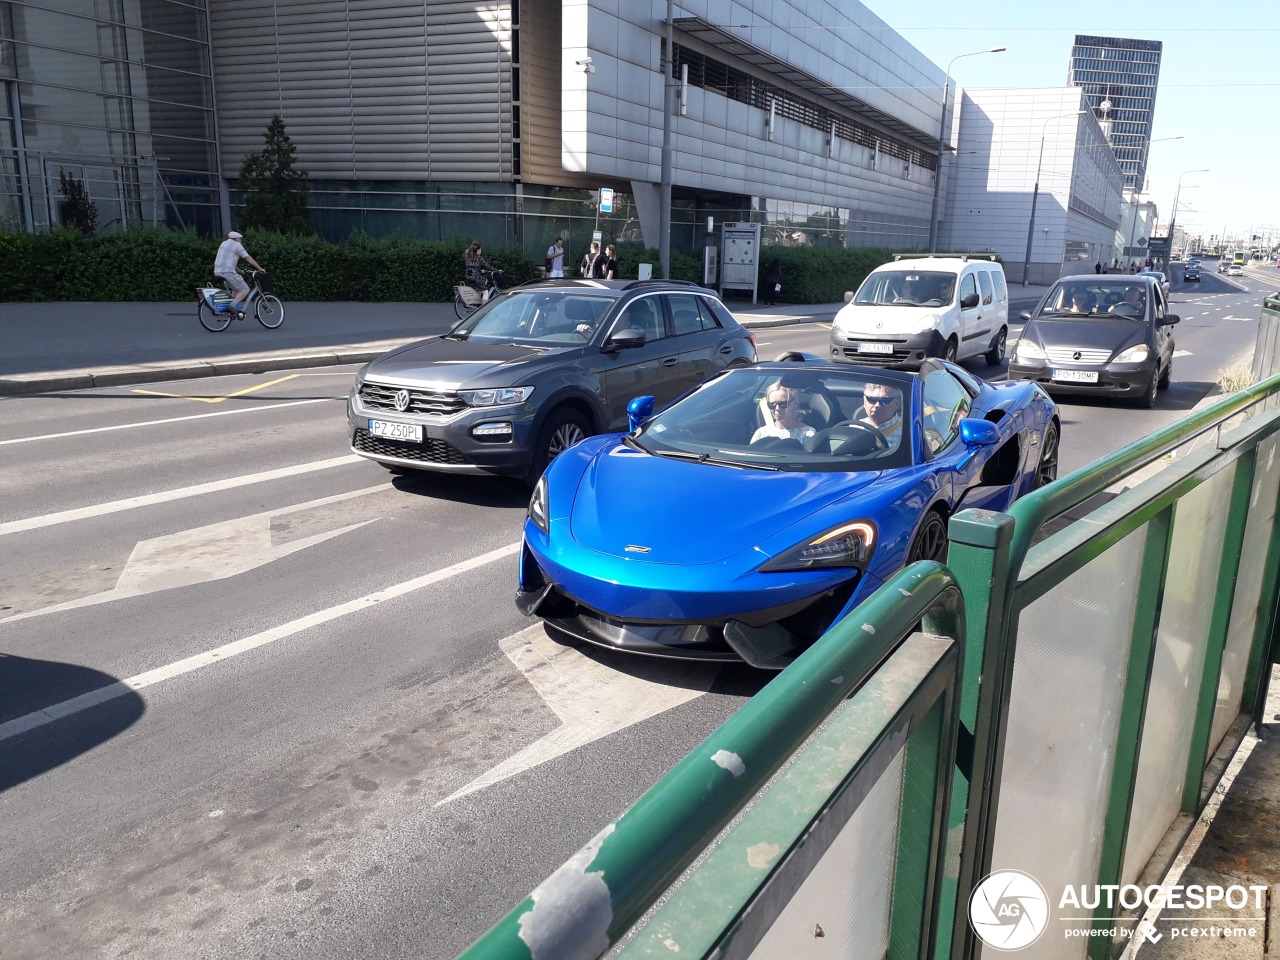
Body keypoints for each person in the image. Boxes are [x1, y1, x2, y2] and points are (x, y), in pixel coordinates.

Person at [212, 231, 264, 316]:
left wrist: (240, 271)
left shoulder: (223, 244)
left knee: (236, 289)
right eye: (240, 239)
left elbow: (228, 261)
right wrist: (259, 268)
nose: (241, 241)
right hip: (228, 272)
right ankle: (231, 306)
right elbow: (248, 258)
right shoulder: (237, 245)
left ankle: (229, 309)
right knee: (245, 289)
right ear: (236, 239)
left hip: (218, 271)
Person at [750, 383, 816, 444]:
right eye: (772, 404)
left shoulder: (808, 434)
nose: (777, 408)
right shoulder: (761, 433)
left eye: (783, 404)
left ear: (795, 404)